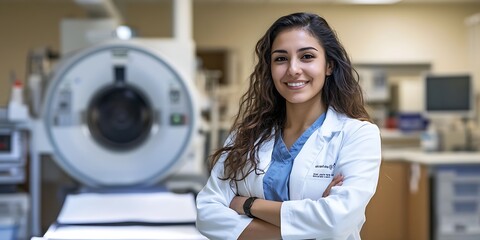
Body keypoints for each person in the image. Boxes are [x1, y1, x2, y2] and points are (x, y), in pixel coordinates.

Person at [196, 12, 381, 240]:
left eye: (307, 57)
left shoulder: (357, 134)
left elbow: (335, 221)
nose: (293, 69)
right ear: (270, 68)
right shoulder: (246, 136)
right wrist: (309, 225)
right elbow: (206, 213)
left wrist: (247, 205)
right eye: (281, 59)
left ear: (329, 66)